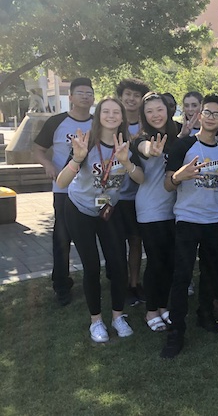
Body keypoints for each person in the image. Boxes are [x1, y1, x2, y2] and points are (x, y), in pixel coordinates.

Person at [55, 98, 144, 342]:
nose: (112, 115)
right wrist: (77, 158)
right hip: (79, 210)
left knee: (118, 265)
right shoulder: (85, 144)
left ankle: (117, 316)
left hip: (108, 211)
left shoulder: (126, 145)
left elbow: (141, 179)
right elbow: (61, 183)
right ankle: (96, 321)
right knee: (92, 267)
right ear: (98, 116)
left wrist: (126, 162)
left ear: (123, 117)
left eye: (117, 112)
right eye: (106, 111)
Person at [161, 95, 218, 359]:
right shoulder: (184, 146)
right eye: (207, 112)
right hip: (188, 219)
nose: (211, 117)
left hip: (215, 221)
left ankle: (205, 315)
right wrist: (182, 175)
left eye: (217, 114)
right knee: (181, 276)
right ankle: (176, 331)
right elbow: (168, 184)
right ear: (199, 115)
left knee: (211, 272)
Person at [33, 77, 94, 305]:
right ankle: (61, 286)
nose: (85, 96)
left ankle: (98, 279)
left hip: (92, 191)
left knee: (94, 238)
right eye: (80, 93)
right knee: (62, 239)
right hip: (64, 190)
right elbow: (38, 149)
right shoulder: (56, 122)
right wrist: (48, 165)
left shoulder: (99, 123)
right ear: (70, 97)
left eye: (89, 93)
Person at [133, 93, 180, 332]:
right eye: (149, 111)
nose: (155, 115)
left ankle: (163, 306)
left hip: (175, 210)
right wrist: (152, 149)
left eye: (159, 109)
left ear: (168, 110)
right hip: (150, 209)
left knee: (170, 261)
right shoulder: (140, 139)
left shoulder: (176, 136)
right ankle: (151, 310)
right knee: (155, 262)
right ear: (144, 115)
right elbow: (145, 149)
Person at [115, 78, 150, 305]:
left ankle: (134, 284)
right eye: (128, 94)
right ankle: (119, 283)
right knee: (117, 243)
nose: (131, 99)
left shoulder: (147, 126)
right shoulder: (112, 122)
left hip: (140, 195)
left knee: (136, 241)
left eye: (136, 95)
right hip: (115, 196)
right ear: (121, 96)